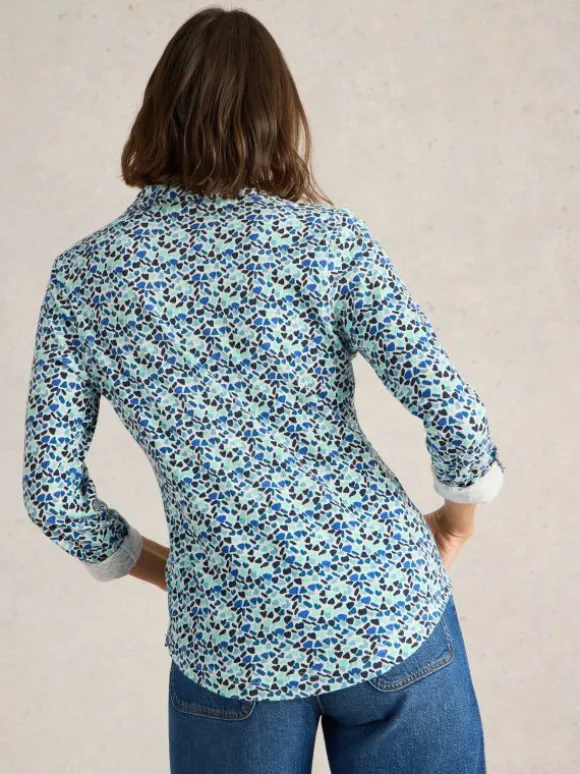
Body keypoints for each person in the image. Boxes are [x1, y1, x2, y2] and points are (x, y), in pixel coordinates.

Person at [21, 6, 504, 774]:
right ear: (280, 117)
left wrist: (174, 571)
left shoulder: (86, 279)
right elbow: (454, 412)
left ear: (157, 113)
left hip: (229, 638)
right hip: (382, 600)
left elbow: (51, 493)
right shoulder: (326, 240)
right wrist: (454, 523)